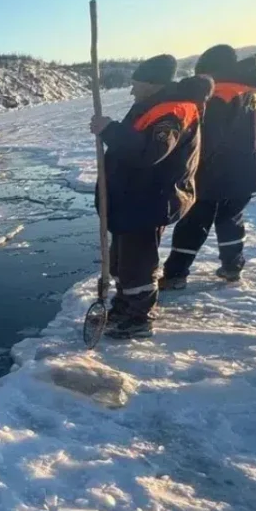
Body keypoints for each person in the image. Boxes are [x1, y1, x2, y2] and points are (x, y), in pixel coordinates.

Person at [89, 55, 214, 339]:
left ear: (152, 84)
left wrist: (110, 130)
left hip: (149, 199)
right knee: (122, 261)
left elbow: (150, 152)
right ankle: (123, 307)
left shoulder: (173, 112)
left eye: (136, 84)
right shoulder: (154, 105)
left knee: (137, 264)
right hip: (133, 197)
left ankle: (139, 319)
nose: (132, 91)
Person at [161, 45, 256, 288]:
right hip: (250, 166)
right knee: (230, 217)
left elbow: (210, 137)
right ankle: (233, 267)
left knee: (193, 219)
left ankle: (175, 275)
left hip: (217, 170)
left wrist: (189, 166)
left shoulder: (221, 93)